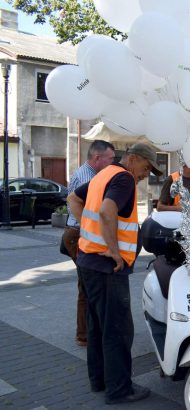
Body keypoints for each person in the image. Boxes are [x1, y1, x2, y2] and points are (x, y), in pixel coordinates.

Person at [67, 143, 162, 404]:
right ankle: (119, 389)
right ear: (133, 159)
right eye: (145, 167)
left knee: (97, 326)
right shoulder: (123, 178)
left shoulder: (103, 175)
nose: (146, 174)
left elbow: (73, 199)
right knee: (118, 329)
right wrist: (113, 250)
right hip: (108, 268)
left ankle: (99, 381)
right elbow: (106, 211)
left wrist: (90, 230)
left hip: (88, 262)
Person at [62, 140, 115, 347]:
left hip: (77, 233)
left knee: (88, 284)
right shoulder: (88, 177)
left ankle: (87, 332)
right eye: (110, 159)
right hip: (77, 234)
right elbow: (74, 202)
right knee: (87, 285)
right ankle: (85, 335)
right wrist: (90, 226)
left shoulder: (93, 175)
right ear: (97, 158)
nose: (113, 163)